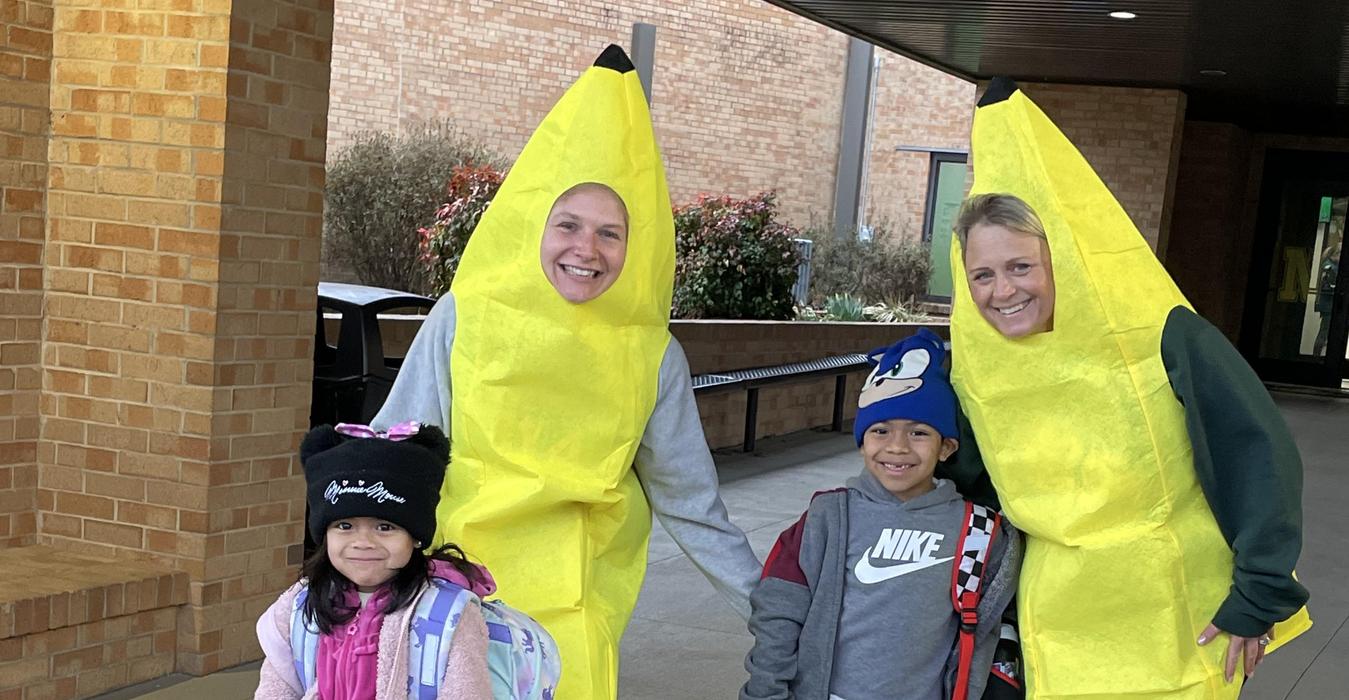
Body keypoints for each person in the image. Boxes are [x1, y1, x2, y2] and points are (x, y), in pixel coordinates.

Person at [371, 45, 761, 698]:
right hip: (445, 597)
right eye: (569, 224)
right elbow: (395, 449)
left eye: (611, 232)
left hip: (577, 611)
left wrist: (771, 608)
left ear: (637, 248)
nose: (587, 249)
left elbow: (689, 501)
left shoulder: (650, 354)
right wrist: (350, 561)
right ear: (534, 227)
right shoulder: (463, 318)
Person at [943, 78, 1311, 700]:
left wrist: (1259, 593)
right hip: (1057, 623)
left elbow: (1259, 455)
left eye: (1020, 266)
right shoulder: (984, 368)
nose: (1002, 291)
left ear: (1062, 256)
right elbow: (973, 482)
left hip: (1178, 617)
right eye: (982, 274)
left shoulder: (1166, 335)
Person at [741, 331, 1021, 700]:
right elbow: (777, 614)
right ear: (862, 442)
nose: (897, 447)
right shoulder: (828, 518)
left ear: (946, 447)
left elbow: (986, 629)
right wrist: (765, 692)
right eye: (880, 430)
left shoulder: (979, 531)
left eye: (919, 432)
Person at [253, 422, 558, 700]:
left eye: (385, 527)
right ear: (325, 534)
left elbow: (467, 692)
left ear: (415, 536)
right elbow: (277, 686)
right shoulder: (299, 607)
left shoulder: (449, 615)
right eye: (344, 526)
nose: (363, 541)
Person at [1313, 236, 1340, 357]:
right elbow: (1327, 286)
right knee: (1324, 332)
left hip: (1330, 305)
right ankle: (1316, 356)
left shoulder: (1332, 265)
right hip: (1328, 306)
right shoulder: (1329, 266)